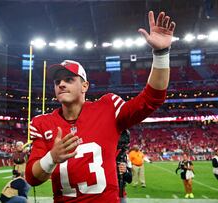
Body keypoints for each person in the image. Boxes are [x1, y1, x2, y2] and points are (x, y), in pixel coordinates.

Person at [25, 11, 176, 202]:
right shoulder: (42, 123)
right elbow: (32, 177)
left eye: (69, 79)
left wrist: (161, 54)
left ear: (85, 86)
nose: (61, 84)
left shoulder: (108, 107)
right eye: (57, 81)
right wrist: (52, 157)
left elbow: (151, 99)